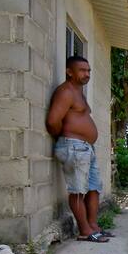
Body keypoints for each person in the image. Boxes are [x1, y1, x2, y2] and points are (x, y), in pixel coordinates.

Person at [45, 55, 112, 243]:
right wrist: (65, 137)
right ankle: (84, 230)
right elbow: (52, 121)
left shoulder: (78, 92)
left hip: (86, 148)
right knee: (78, 191)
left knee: (93, 188)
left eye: (89, 70)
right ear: (69, 72)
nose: (87, 74)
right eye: (82, 70)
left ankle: (94, 226)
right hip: (74, 146)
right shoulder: (66, 91)